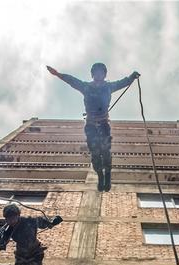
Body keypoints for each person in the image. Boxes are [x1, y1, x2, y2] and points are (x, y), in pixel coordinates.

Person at [47, 63, 140, 191]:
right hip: (90, 124)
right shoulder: (86, 87)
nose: (98, 75)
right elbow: (72, 80)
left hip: (103, 124)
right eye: (96, 72)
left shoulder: (108, 86)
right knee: (95, 153)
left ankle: (107, 173)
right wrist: (57, 74)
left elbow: (122, 83)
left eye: (101, 72)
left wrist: (132, 77)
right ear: (92, 74)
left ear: (104, 74)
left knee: (105, 151)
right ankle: (100, 175)